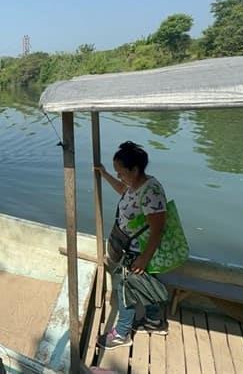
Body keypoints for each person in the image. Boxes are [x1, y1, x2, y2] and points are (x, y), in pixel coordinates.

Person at [95, 141, 169, 349]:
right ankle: (155, 323)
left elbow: (158, 229)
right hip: (132, 248)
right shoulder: (136, 185)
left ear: (135, 169)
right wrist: (104, 174)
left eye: (121, 172)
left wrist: (143, 258)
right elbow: (123, 190)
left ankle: (121, 334)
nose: (119, 176)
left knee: (124, 290)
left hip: (137, 252)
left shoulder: (151, 192)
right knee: (147, 286)